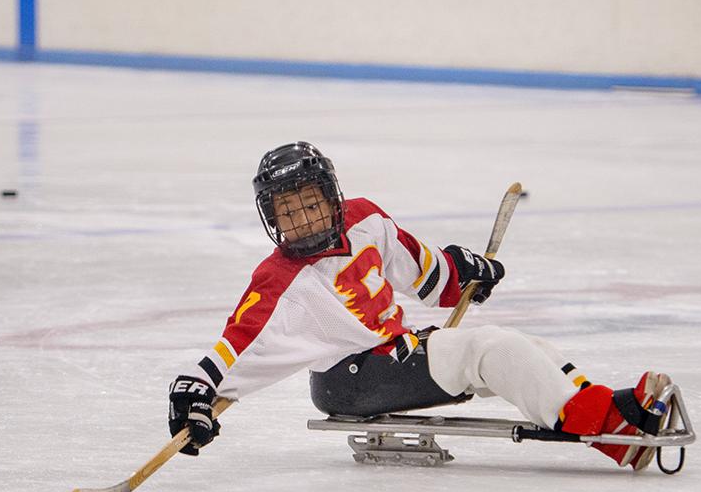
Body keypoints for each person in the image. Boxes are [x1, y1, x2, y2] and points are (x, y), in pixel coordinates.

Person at [168, 142, 671, 471]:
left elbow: (428, 274)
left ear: (331, 196)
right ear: (272, 218)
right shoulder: (278, 281)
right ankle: (611, 423)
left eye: (310, 202)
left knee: (522, 347)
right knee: (487, 348)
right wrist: (192, 395)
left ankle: (611, 424)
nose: (302, 217)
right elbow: (230, 350)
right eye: (288, 210)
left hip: (395, 354)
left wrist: (466, 271)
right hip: (351, 381)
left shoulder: (366, 220)